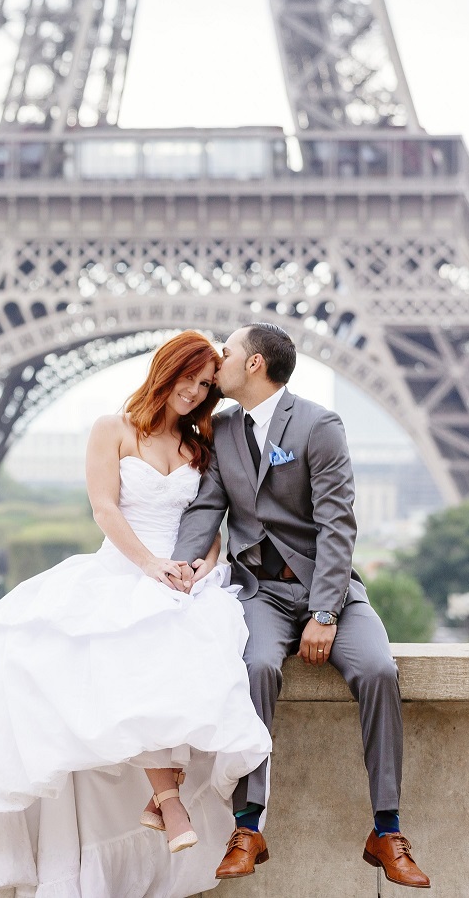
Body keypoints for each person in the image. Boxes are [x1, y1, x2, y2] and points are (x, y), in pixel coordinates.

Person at [0, 330, 272, 897]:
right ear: (167, 368)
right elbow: (104, 508)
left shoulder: (200, 443)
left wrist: (201, 569)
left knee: (174, 655)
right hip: (126, 569)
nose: (196, 392)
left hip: (179, 578)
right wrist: (151, 565)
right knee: (139, 655)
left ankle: (165, 800)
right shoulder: (113, 429)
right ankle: (170, 798)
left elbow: (209, 523)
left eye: (207, 386)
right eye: (190, 378)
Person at [174, 323, 431, 888]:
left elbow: (338, 526)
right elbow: (206, 505)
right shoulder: (222, 427)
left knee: (379, 670)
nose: (219, 360)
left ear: (255, 364)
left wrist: (326, 612)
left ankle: (386, 828)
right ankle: (248, 825)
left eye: (229, 352)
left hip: (327, 587)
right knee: (256, 666)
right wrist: (183, 561)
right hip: (260, 590)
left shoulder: (319, 425)